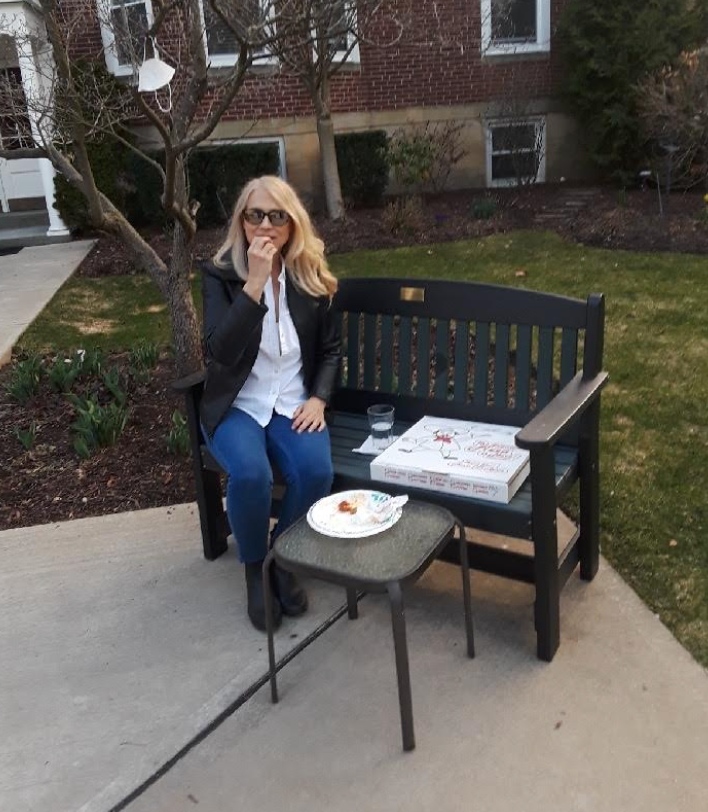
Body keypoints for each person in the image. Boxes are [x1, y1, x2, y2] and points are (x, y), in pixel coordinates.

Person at [199, 176, 341, 632]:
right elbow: (220, 351)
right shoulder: (220, 275)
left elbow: (332, 350)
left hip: (292, 402)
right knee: (251, 473)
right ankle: (253, 571)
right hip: (237, 405)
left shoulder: (309, 275)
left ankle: (281, 559)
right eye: (254, 214)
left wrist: (319, 397)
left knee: (317, 471)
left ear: (292, 223)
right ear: (241, 222)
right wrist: (254, 284)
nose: (265, 224)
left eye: (277, 215)